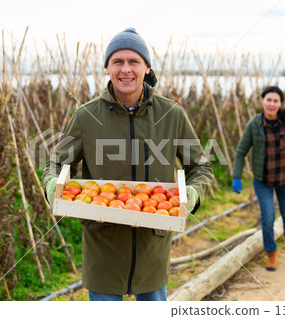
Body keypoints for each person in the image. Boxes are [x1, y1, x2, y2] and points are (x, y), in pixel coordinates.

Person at [42, 28, 213, 300]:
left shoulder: (171, 114)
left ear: (146, 67)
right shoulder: (86, 116)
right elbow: (54, 163)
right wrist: (52, 182)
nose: (126, 69)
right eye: (117, 62)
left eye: (134, 61)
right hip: (103, 246)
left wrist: (193, 193)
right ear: (107, 68)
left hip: (153, 248)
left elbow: (201, 167)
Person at [232, 86, 285, 271]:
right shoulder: (254, 125)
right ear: (262, 101)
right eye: (268, 100)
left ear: (280, 103)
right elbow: (240, 152)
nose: (272, 104)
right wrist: (236, 176)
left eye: (275, 100)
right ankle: (271, 253)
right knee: (268, 218)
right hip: (262, 180)